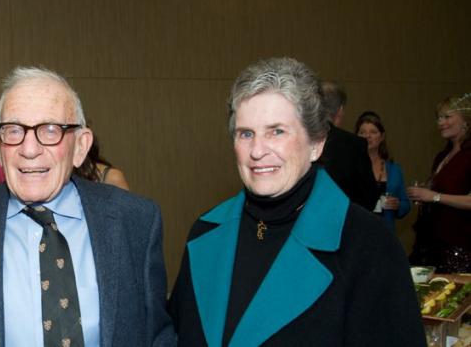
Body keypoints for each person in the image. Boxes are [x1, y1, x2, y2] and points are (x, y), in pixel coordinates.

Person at [169, 58, 424, 346]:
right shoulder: (205, 232)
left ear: (316, 144)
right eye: (246, 134)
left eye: (276, 131)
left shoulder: (367, 244)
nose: (257, 150)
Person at [0, 67, 175, 346]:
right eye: (14, 131)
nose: (29, 149)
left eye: (50, 130)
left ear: (80, 146)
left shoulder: (136, 221)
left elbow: (157, 337)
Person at [407, 94, 471, 272]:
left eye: (447, 117)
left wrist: (434, 196)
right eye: (439, 118)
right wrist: (425, 194)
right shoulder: (443, 155)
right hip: (432, 241)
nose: (441, 122)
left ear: (465, 118)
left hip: (459, 244)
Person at [317, 81, 380, 211]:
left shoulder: (297, 137)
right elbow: (369, 196)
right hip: (341, 222)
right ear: (340, 110)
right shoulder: (354, 145)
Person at [355, 111, 410, 231]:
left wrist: (398, 205)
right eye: (362, 132)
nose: (367, 136)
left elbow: (406, 204)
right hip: (357, 232)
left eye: (373, 132)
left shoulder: (395, 169)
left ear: (382, 137)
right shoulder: (350, 167)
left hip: (385, 234)